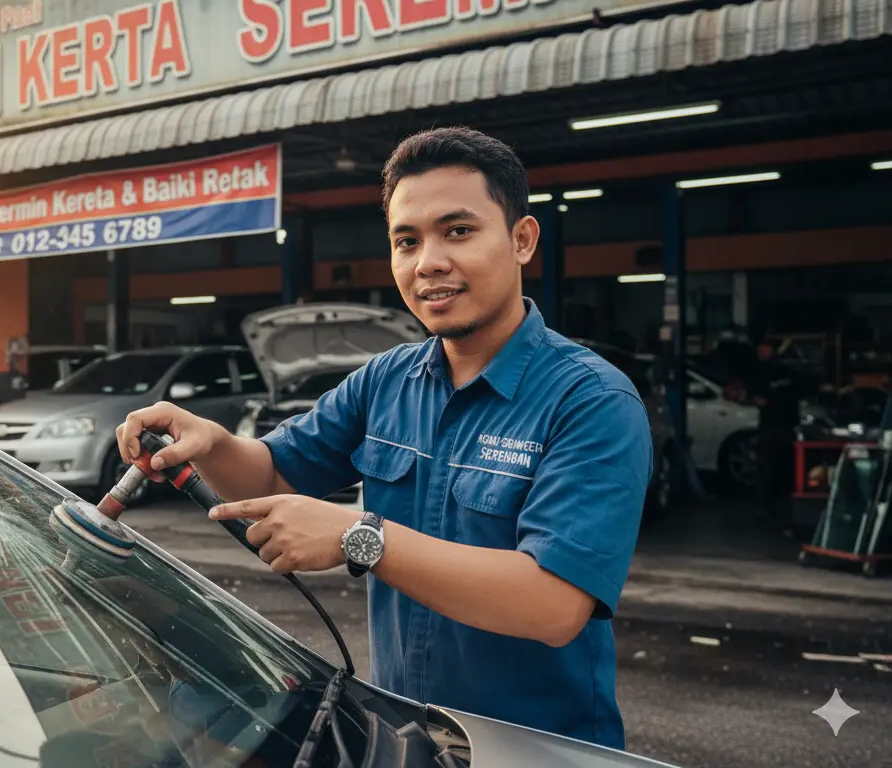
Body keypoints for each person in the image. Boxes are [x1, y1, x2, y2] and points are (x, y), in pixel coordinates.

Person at [112, 126, 653, 750]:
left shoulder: (590, 401)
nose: (429, 262)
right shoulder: (385, 381)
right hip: (398, 741)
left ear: (521, 239)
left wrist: (358, 535)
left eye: (458, 231)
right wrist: (211, 443)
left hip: (537, 750)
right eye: (407, 240)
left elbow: (554, 606)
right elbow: (273, 474)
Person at [744, 338, 800, 525]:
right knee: (779, 469)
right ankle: (778, 507)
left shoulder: (767, 372)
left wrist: (758, 399)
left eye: (762, 349)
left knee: (769, 469)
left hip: (774, 427)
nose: (760, 353)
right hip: (782, 426)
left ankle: (769, 507)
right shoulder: (779, 371)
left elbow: (756, 396)